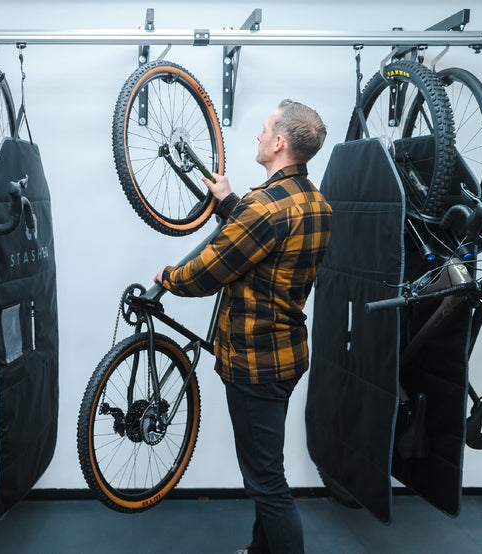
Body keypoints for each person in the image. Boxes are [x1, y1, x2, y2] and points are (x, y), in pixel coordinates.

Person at [155, 99, 332, 554]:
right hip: (288, 355)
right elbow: (264, 247)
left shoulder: (264, 210)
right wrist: (229, 202)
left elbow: (206, 275)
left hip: (256, 363)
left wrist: (168, 278)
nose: (257, 134)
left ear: (279, 143)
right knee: (264, 470)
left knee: (267, 483)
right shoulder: (316, 203)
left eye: (264, 128)